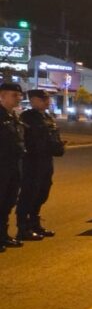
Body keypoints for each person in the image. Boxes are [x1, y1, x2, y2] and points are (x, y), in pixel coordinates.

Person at [16, 89, 64, 240]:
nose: (47, 101)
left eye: (47, 99)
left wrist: (59, 147)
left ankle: (34, 223)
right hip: (32, 161)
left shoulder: (47, 117)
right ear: (33, 100)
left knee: (42, 192)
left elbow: (53, 137)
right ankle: (23, 228)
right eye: (43, 99)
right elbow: (27, 140)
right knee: (29, 193)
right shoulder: (27, 117)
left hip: (46, 160)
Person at [0, 82, 26, 251]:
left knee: (8, 201)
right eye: (14, 95)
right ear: (2, 96)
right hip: (2, 166)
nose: (19, 98)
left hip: (13, 165)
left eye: (19, 95)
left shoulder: (14, 116)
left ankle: (3, 235)